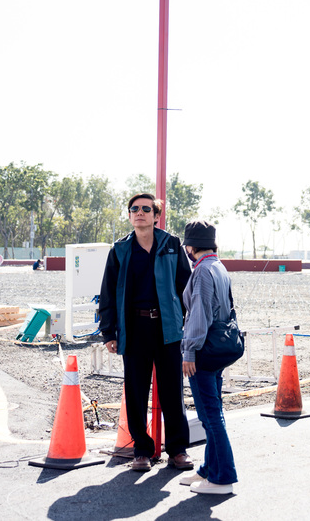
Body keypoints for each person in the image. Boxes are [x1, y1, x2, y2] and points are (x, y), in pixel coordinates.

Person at [98, 193, 193, 472]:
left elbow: (186, 288)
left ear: (156, 215)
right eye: (134, 209)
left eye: (145, 209)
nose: (139, 212)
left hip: (167, 329)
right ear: (130, 215)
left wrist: (183, 322)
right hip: (134, 328)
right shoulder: (119, 250)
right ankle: (142, 450)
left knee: (172, 390)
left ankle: (177, 450)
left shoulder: (172, 245)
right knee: (136, 391)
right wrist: (109, 332)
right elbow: (108, 293)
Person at [180, 220, 238, 495]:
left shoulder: (202, 271)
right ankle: (208, 469)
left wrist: (189, 350)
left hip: (203, 350)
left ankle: (222, 477)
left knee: (210, 416)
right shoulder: (218, 266)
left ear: (190, 247)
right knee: (213, 413)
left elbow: (199, 313)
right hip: (218, 348)